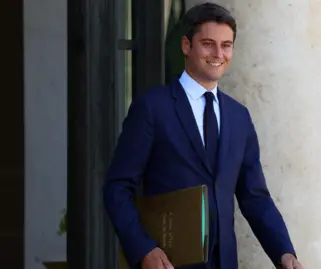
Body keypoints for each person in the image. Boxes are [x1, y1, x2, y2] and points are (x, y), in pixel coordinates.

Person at [103, 2, 302, 269]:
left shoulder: (239, 116)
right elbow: (117, 188)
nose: (218, 53)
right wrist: (143, 250)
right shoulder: (152, 108)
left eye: (226, 45)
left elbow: (255, 197)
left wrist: (284, 253)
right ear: (187, 46)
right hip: (169, 264)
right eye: (208, 43)